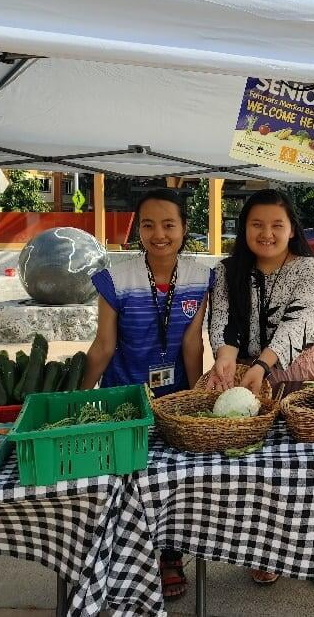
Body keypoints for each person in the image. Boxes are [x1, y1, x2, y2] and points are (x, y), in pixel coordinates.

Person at [83, 187, 214, 600]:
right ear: (137, 229)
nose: (159, 234)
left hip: (175, 399)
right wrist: (74, 399)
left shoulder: (201, 276)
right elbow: (103, 345)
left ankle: (170, 555)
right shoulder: (114, 277)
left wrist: (195, 403)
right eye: (148, 225)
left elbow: (194, 344)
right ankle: (124, 557)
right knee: (127, 479)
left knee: (173, 482)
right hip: (124, 397)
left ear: (184, 228)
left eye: (169, 224)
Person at [206, 188, 314, 586]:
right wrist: (225, 358)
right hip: (244, 376)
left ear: (291, 228)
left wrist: (263, 364)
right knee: (254, 469)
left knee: (308, 466)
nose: (267, 233)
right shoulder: (227, 272)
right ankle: (265, 547)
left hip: (299, 372)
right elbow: (224, 323)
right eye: (257, 224)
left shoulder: (313, 270)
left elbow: (299, 325)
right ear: (244, 227)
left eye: (277, 225)